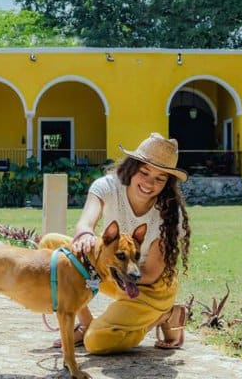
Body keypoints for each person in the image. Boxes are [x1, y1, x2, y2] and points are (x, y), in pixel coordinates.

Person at [39, 132, 191, 353]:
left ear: (168, 183)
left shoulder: (168, 214)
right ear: (132, 167)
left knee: (96, 343)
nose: (149, 183)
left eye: (160, 178)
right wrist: (84, 236)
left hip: (149, 286)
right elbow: (85, 222)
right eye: (145, 172)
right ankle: (84, 321)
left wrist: (91, 274)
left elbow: (149, 273)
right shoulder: (107, 186)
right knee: (50, 245)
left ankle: (163, 316)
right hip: (113, 271)